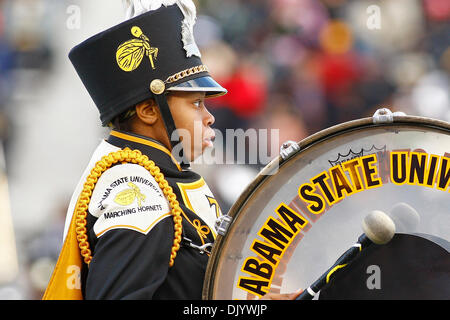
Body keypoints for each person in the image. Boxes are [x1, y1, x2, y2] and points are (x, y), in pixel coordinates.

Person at [43, 0, 301, 300]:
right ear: (148, 110)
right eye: (196, 103)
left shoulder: (160, 177)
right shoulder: (136, 191)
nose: (210, 117)